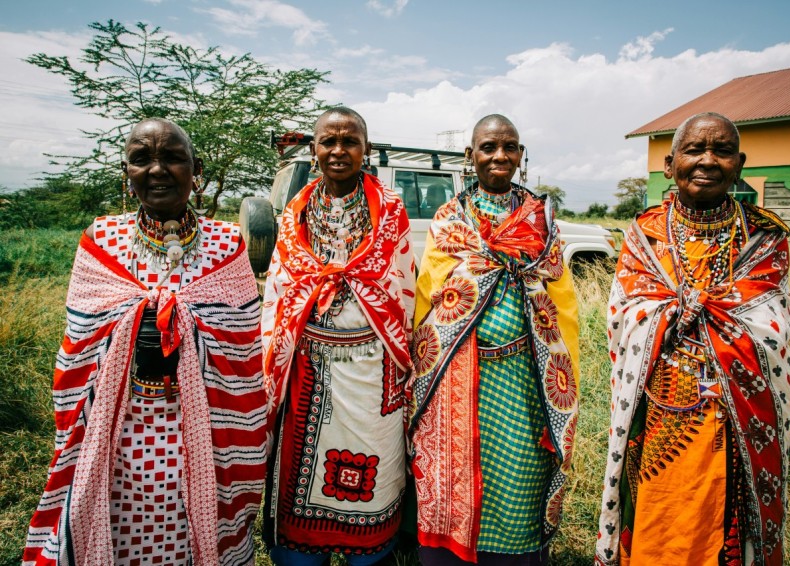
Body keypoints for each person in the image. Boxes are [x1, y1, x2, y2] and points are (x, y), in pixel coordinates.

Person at [23, 118, 268, 565]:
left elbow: (244, 350)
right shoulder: (101, 240)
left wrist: (181, 323)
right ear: (126, 172)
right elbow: (78, 341)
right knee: (119, 529)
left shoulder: (227, 244)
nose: (157, 170)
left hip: (208, 435)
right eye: (142, 159)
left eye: (172, 157)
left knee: (196, 533)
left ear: (197, 168)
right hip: (117, 431)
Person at [595, 112, 790, 565]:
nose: (707, 160)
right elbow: (623, 317)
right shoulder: (644, 234)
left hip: (735, 416)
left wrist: (693, 308)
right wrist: (679, 310)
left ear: (739, 163)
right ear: (669, 164)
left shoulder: (764, 237)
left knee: (724, 522)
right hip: (659, 415)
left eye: (722, 150)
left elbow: (772, 323)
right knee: (655, 514)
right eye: (694, 150)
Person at [408, 114, 580, 565]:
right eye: (489, 147)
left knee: (519, 478)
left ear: (521, 156)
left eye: (510, 147)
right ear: (471, 156)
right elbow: (428, 297)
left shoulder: (541, 220)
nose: (499, 156)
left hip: (524, 379)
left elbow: (562, 304)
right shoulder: (450, 220)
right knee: (454, 475)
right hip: (457, 380)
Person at [261, 107, 415, 565]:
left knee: (376, 477)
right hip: (306, 369)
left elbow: (402, 293)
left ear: (365, 150)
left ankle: (370, 549)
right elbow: (281, 290)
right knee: (296, 487)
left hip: (374, 375)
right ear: (314, 149)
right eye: (328, 141)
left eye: (349, 141)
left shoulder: (391, 212)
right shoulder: (295, 215)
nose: (338, 150)